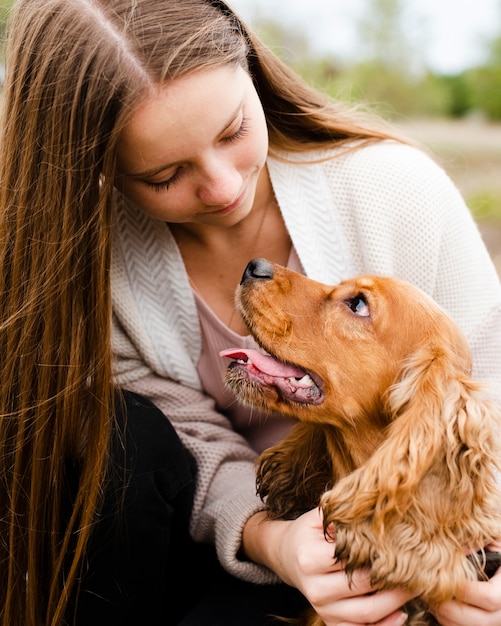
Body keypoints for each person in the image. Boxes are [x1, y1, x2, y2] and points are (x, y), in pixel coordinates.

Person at [0, 0, 500, 625]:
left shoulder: (396, 191)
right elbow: (181, 443)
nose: (225, 188)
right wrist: (276, 541)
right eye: (165, 175)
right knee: (122, 433)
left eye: (233, 131)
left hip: (426, 533)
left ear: (253, 72)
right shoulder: (92, 265)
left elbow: (487, 391)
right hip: (218, 543)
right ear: (101, 171)